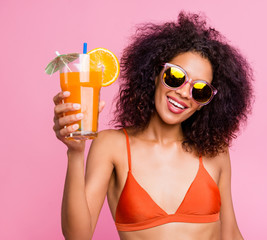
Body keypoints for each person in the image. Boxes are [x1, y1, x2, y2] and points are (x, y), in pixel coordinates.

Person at [53, 12, 253, 240]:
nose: (184, 94)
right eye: (176, 76)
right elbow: (78, 236)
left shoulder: (215, 152)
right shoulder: (111, 145)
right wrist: (75, 153)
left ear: (203, 104)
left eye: (200, 90)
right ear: (156, 74)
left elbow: (230, 234)